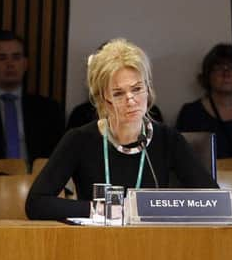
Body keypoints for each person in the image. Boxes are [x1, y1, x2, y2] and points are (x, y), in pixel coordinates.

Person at [26, 38, 217, 220]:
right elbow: (36, 203)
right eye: (118, 93)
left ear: (148, 89)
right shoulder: (79, 140)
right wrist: (102, 210)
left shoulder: (168, 140)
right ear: (103, 99)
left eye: (136, 89)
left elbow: (213, 201)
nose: (131, 100)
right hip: (97, 244)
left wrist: (159, 208)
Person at [0, 30, 65, 164]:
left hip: (37, 180)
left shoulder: (48, 109)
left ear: (25, 63)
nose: (10, 64)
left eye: (16, 57)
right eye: (2, 58)